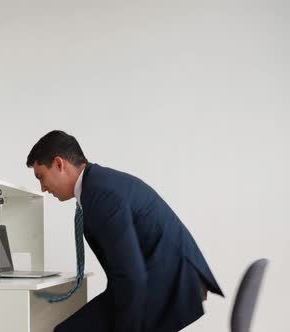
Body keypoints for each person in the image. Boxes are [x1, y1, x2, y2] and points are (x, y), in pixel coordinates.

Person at [26, 130, 224, 332]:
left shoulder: (99, 194)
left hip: (170, 282)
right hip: (165, 275)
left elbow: (131, 277)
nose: (42, 188)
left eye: (41, 177)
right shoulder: (97, 185)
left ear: (59, 164)